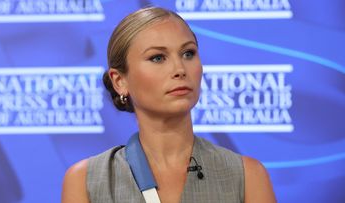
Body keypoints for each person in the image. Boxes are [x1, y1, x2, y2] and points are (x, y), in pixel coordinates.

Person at [61, 7, 276, 203]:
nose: (179, 68)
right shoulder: (87, 181)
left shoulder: (247, 176)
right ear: (120, 81)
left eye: (188, 53)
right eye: (157, 58)